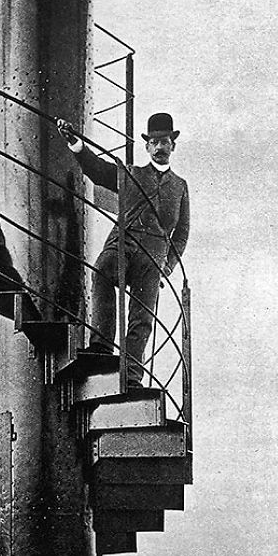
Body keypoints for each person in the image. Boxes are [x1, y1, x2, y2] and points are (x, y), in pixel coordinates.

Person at [58, 112, 190, 388]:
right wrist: (76, 144)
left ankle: (131, 375)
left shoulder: (180, 187)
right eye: (154, 142)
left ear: (172, 145)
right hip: (124, 242)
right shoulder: (131, 173)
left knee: (141, 317)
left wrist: (166, 266)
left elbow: (182, 234)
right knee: (102, 270)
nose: (160, 147)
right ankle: (102, 346)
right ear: (147, 147)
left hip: (153, 255)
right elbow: (97, 170)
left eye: (164, 141)